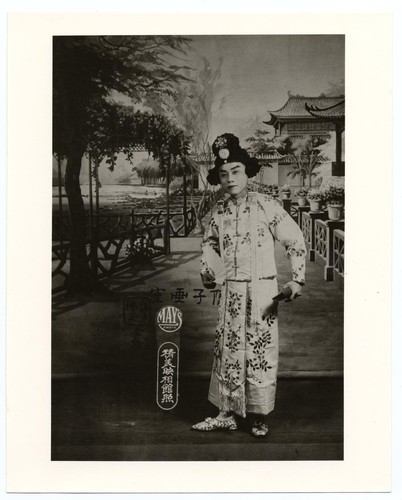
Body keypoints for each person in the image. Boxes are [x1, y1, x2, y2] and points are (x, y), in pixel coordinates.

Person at [192, 133, 307, 437]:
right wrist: (208, 271)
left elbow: (295, 241)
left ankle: (258, 415)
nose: (230, 179)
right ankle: (226, 412)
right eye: (223, 173)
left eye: (236, 171)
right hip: (231, 292)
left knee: (259, 352)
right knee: (229, 350)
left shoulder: (267, 206)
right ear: (218, 178)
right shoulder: (218, 212)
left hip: (262, 292)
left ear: (247, 171)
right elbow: (209, 246)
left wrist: (296, 279)